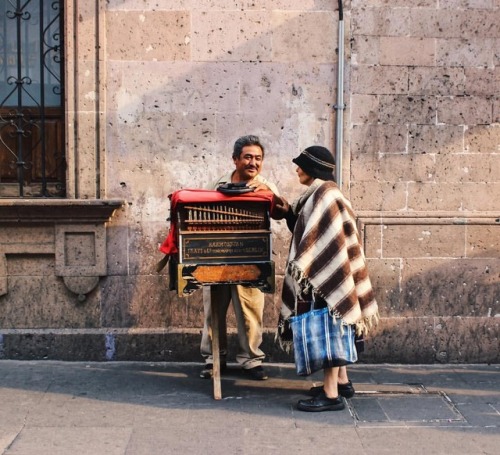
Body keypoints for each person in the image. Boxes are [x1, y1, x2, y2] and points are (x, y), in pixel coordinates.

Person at [273, 146, 378, 411]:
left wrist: (316, 269)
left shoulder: (325, 194)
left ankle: (331, 396)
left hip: (325, 273)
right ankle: (342, 382)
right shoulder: (321, 193)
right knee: (336, 323)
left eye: (301, 165)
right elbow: (309, 229)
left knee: (330, 327)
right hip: (333, 271)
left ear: (312, 168)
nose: (297, 169)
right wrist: (288, 213)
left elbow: (319, 238)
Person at [200, 135, 279, 381]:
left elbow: (280, 212)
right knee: (214, 310)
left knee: (250, 309)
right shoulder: (218, 183)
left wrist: (269, 196)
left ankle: (251, 361)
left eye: (258, 158)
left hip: (251, 257)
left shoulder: (266, 185)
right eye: (247, 157)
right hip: (218, 257)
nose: (253, 163)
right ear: (235, 160)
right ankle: (215, 358)